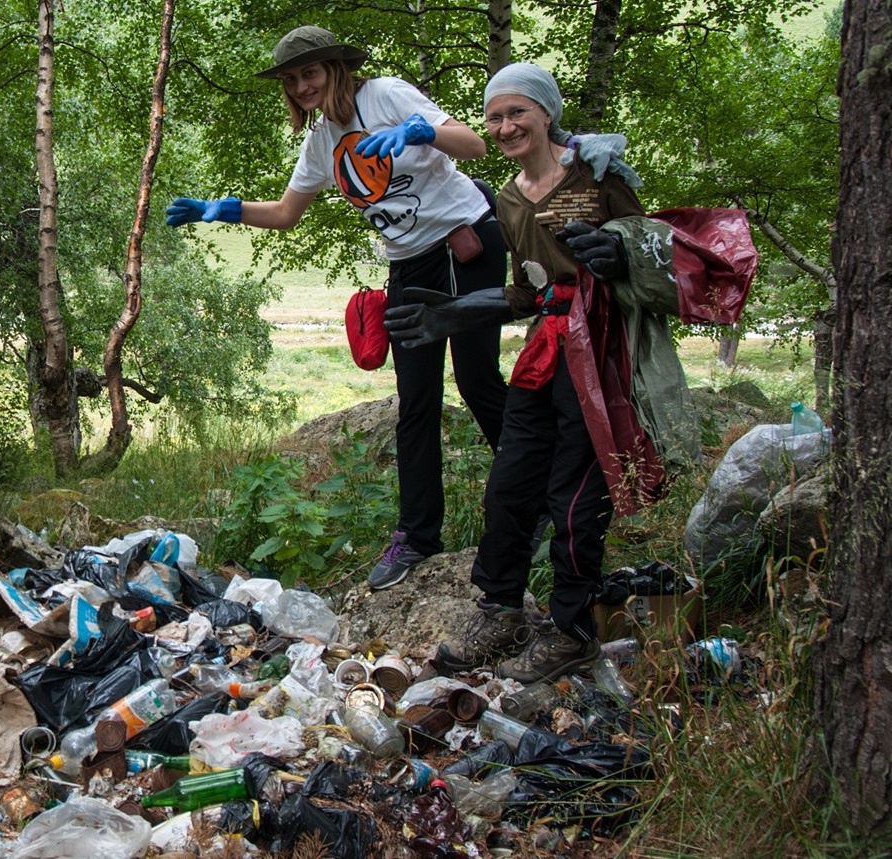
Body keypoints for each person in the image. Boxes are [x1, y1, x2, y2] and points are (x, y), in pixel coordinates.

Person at [166, 25, 509, 590]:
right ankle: (417, 537)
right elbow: (286, 213)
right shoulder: (321, 142)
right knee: (416, 400)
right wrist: (223, 210)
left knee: (476, 380)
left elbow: (474, 145)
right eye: (291, 79)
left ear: (336, 68)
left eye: (310, 72)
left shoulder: (386, 94)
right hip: (409, 265)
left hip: (464, 244)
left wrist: (421, 131)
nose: (301, 86)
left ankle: (536, 492)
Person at [385, 62, 649, 683]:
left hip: (599, 354)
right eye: (495, 117)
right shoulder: (505, 198)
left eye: (517, 113)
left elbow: (656, 251)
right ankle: (500, 611)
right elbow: (528, 293)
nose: (505, 127)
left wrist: (622, 253)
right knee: (509, 486)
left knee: (573, 497)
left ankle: (573, 632)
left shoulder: (600, 176)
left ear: (546, 112)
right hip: (543, 351)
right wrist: (457, 310)